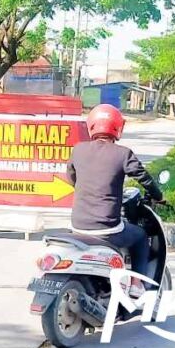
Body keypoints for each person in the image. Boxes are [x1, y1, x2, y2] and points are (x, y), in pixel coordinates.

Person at [67, 104, 163, 297]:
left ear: (92, 125)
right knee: (140, 236)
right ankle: (136, 283)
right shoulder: (122, 153)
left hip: (78, 226)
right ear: (118, 127)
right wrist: (158, 196)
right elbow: (144, 178)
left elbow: (71, 179)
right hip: (107, 228)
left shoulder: (78, 150)